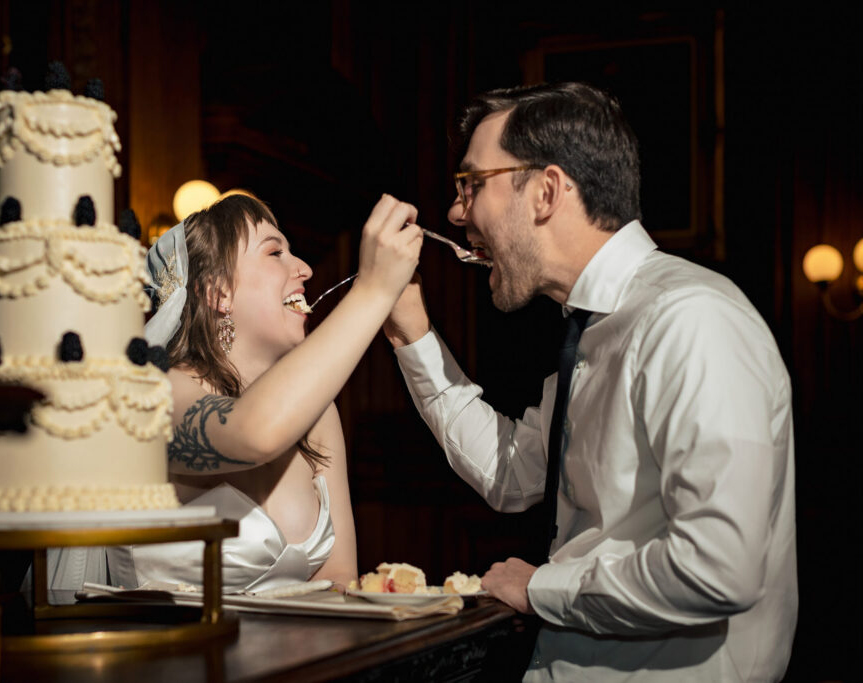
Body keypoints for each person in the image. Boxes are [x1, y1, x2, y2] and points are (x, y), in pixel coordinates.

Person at [382, 82, 797, 681]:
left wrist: (543, 588)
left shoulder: (690, 319)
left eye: (471, 184)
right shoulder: (597, 330)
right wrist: (413, 335)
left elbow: (717, 568)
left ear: (547, 191)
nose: (454, 211)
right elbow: (512, 472)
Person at [107, 194, 422, 593]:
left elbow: (339, 581)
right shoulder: (152, 393)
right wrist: (372, 291)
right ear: (218, 292)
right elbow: (253, 434)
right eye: (275, 252)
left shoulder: (318, 414)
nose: (305, 269)